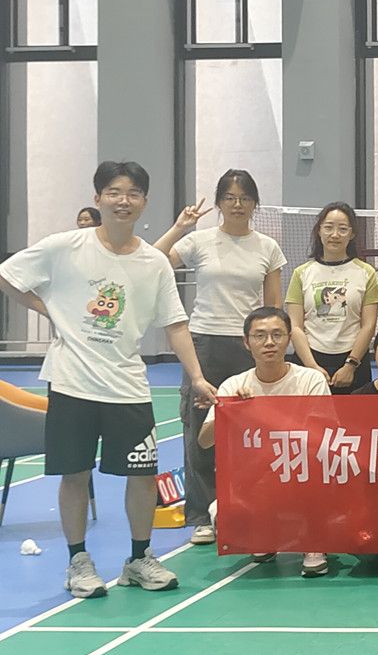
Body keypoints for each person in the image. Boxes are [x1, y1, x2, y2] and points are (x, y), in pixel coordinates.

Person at [0, 160, 217, 599]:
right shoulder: (66, 246)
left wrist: (196, 377)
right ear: (98, 198)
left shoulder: (154, 262)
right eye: (114, 192)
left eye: (133, 193)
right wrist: (49, 308)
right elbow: (8, 276)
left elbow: (175, 323)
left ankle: (138, 558)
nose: (123, 201)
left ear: (144, 202)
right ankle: (78, 561)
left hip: (127, 385)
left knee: (143, 476)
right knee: (75, 474)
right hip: (72, 383)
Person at [153, 168, 286, 547]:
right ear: (219, 203)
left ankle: (249, 508)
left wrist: (270, 345)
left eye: (244, 198)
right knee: (201, 428)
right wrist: (179, 227)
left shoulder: (267, 247)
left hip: (250, 346)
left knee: (251, 431)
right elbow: (153, 259)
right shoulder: (200, 240)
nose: (237, 204)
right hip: (205, 345)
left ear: (255, 203)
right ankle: (203, 515)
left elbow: (273, 307)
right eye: (229, 197)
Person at [197, 307, 331, 577]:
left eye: (277, 335)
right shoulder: (233, 385)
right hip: (255, 480)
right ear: (247, 343)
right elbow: (204, 441)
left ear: (289, 339)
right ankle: (265, 535)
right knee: (224, 517)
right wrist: (233, 411)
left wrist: (263, 415)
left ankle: (314, 542)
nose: (269, 342)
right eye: (260, 336)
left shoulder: (311, 380)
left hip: (303, 475)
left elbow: (325, 437)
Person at [285, 201, 378, 394]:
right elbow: (295, 327)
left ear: (352, 234)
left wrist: (351, 365)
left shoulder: (367, 272)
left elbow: (369, 325)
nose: (335, 234)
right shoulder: (301, 273)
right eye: (328, 227)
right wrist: (311, 367)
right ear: (319, 231)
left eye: (343, 229)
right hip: (310, 359)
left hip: (353, 362)